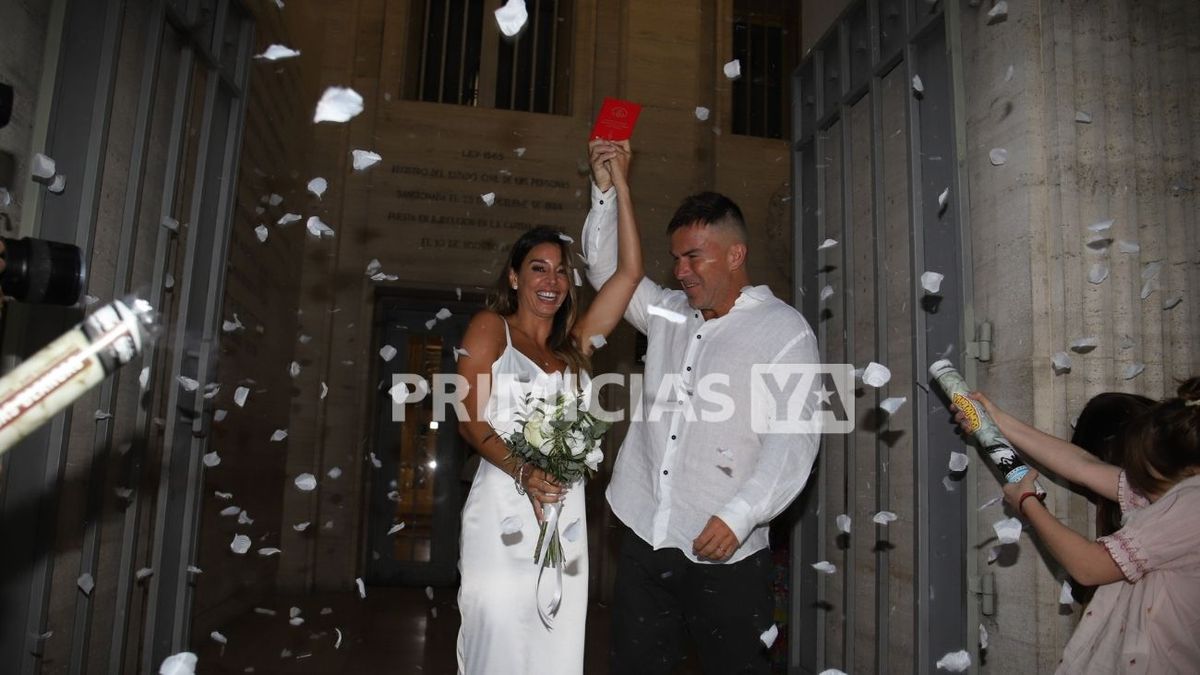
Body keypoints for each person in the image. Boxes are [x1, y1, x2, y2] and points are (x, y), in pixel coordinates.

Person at [583, 141, 822, 674]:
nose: (681, 270)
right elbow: (608, 272)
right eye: (675, 258)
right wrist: (606, 190)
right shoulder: (668, 313)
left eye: (694, 256)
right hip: (646, 534)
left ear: (735, 255)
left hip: (727, 552)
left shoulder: (785, 331)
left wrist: (741, 515)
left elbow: (794, 441)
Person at [454, 140, 641, 674]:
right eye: (538, 269)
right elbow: (470, 419)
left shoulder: (576, 345)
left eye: (560, 271)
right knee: (499, 642)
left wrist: (620, 184)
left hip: (565, 513)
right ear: (514, 277)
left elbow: (628, 275)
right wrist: (526, 472)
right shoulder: (490, 328)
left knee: (555, 649)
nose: (552, 281)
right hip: (503, 507)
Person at [954, 379, 1200, 673]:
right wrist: (996, 420)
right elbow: (1083, 466)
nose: (1142, 485)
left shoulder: (1191, 504)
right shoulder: (1174, 491)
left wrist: (1028, 503)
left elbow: (1088, 566)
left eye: (1149, 476)